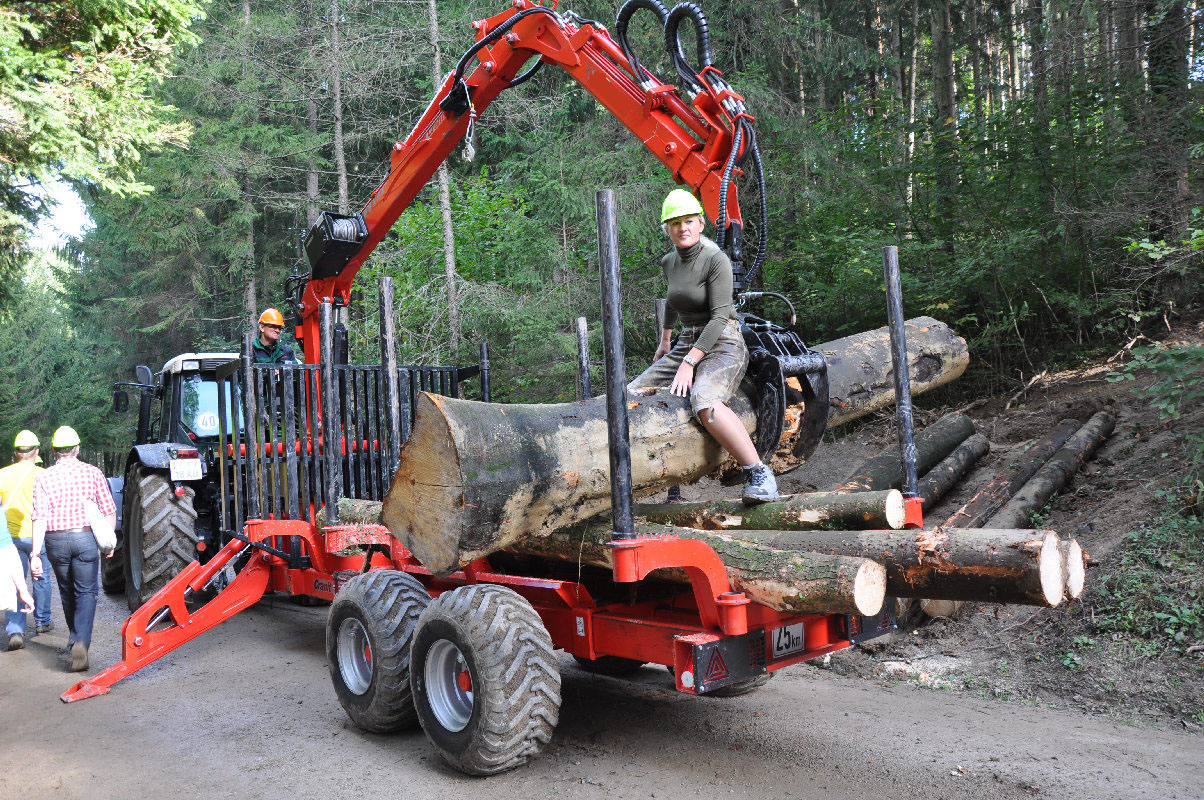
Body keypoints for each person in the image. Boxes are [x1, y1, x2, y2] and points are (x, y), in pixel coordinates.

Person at [628, 189, 779, 505]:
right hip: (686, 341)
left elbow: (720, 315)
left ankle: (760, 474)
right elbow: (673, 299)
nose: (682, 228)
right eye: (675, 223)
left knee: (704, 401)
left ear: (700, 224)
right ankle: (663, 483)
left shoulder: (715, 259)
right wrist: (666, 341)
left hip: (723, 340)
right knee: (633, 394)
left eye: (688, 221)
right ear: (667, 229)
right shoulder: (670, 262)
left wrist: (689, 363)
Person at [30, 426, 116, 672]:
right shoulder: (93, 473)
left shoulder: (43, 477)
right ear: (77, 449)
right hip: (85, 539)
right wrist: (107, 541)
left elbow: (40, 517)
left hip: (55, 542)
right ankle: (80, 641)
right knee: (86, 593)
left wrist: (35, 553)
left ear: (55, 450)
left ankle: (74, 636)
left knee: (67, 592)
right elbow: (109, 510)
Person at [1, 430, 49, 650]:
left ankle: (15, 630)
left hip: (11, 537)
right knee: (41, 577)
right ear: (36, 451)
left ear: (15, 452)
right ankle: (42, 622)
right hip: (37, 535)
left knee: (15, 580)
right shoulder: (44, 474)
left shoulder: (3, 474)